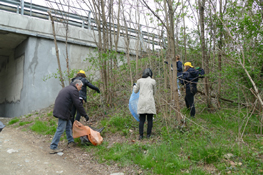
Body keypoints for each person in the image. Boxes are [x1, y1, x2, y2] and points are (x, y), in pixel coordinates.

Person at [50, 79, 89, 154]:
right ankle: (53, 147)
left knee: (68, 125)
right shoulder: (74, 90)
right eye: (80, 87)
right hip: (63, 111)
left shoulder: (68, 88)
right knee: (60, 129)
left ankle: (71, 142)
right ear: (77, 85)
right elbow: (78, 104)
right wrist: (85, 114)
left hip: (62, 110)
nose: (80, 89)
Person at [134, 68, 156, 140]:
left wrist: (134, 85)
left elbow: (135, 91)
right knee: (150, 119)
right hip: (150, 101)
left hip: (142, 102)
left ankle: (141, 135)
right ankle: (148, 135)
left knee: (142, 120)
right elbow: (154, 92)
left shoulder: (139, 81)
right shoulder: (153, 81)